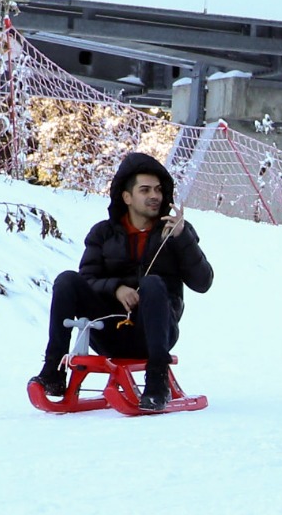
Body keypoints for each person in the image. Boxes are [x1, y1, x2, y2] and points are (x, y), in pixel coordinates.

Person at [28, 151, 214, 413]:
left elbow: (203, 282)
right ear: (127, 197)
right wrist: (116, 288)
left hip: (156, 334)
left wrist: (183, 239)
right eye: (145, 189)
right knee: (67, 280)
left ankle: (157, 382)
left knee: (152, 283)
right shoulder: (103, 233)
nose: (155, 196)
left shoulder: (176, 231)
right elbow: (88, 277)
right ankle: (54, 372)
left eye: (159, 190)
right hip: (109, 331)